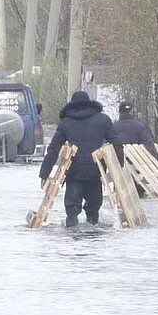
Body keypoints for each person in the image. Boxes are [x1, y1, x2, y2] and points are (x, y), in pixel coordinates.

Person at [39, 91, 123, 227]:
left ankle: (73, 237)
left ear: (72, 105)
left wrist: (44, 173)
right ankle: (93, 236)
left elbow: (54, 149)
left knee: (72, 212)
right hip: (96, 171)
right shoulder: (103, 120)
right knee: (93, 212)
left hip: (73, 172)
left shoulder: (65, 123)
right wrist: (119, 168)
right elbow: (117, 144)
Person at [113, 100, 158, 198]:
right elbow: (149, 145)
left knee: (120, 196)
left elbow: (105, 145)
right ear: (132, 112)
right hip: (135, 166)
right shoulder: (140, 127)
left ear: (119, 112)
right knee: (138, 197)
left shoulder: (112, 127)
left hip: (117, 166)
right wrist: (155, 161)